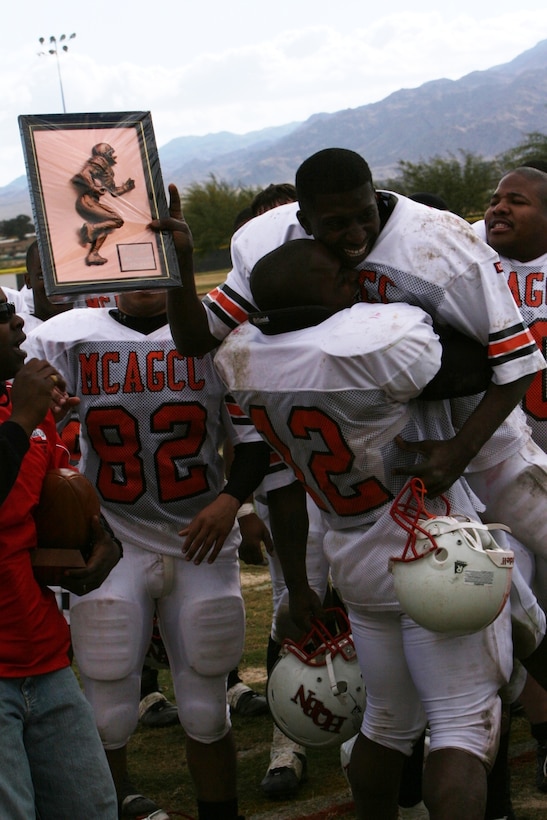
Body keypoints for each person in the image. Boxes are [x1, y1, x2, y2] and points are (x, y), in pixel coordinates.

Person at [213, 237, 516, 820]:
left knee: (387, 721)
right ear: (318, 293)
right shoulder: (376, 340)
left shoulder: (243, 359)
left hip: (352, 550)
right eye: (338, 275)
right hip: (426, 544)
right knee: (462, 725)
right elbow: (469, 361)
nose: (356, 280)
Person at [27, 288, 271, 820]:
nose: (142, 278)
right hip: (114, 538)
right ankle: (108, 806)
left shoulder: (215, 336)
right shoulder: (69, 337)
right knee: (108, 707)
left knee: (208, 707)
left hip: (199, 540)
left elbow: (253, 438)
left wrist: (233, 501)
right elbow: (29, 420)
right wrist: (50, 407)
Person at [0, 293, 121, 818]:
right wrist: (23, 421)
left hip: (42, 655)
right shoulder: (21, 418)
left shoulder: (27, 417)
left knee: (91, 809)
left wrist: (101, 547)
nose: (16, 326)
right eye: (1, 319)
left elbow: (71, 505)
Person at [71, 143, 135, 266]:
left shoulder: (106, 168)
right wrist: (93, 187)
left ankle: (93, 254)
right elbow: (84, 173)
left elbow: (114, 191)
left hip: (90, 202)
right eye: (110, 152)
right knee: (117, 220)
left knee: (106, 226)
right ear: (104, 153)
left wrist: (126, 187)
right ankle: (92, 228)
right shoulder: (99, 161)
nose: (113, 155)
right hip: (87, 201)